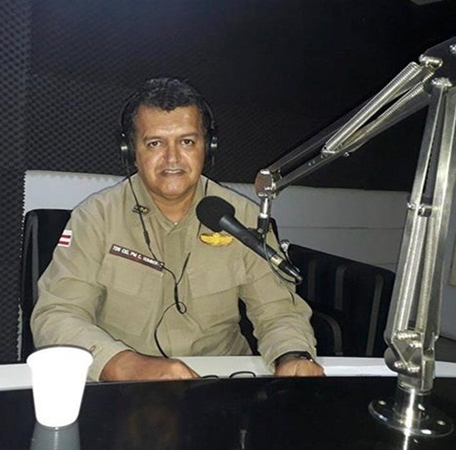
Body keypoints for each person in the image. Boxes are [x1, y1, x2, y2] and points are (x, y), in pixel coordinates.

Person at [31, 77, 323, 381]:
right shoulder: (95, 218)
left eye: (186, 142)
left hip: (220, 385)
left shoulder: (242, 218)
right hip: (124, 385)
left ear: (207, 147)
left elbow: (279, 310)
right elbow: (57, 315)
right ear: (131, 151)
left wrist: (292, 355)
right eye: (155, 143)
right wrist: (127, 366)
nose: (172, 158)